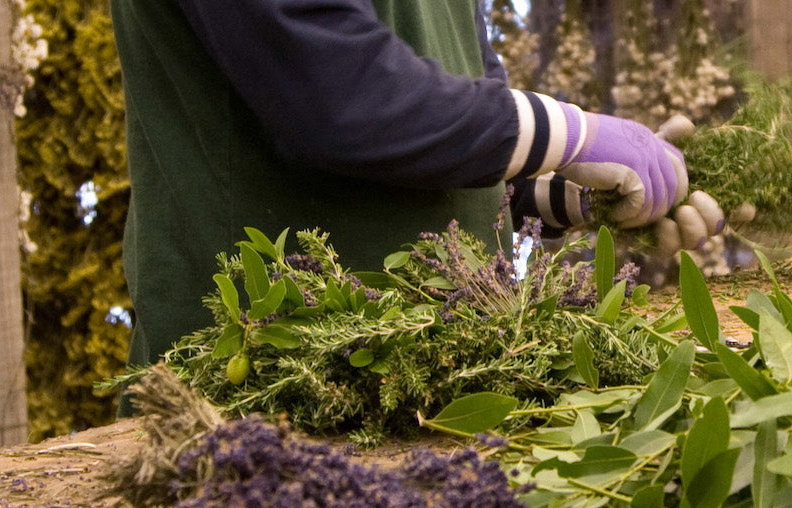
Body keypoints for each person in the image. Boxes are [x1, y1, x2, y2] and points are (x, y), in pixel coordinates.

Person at [111, 0, 724, 367]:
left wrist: (572, 200)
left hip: (441, 369)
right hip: (266, 371)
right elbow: (341, 99)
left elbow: (444, 123)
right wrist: (571, 134)